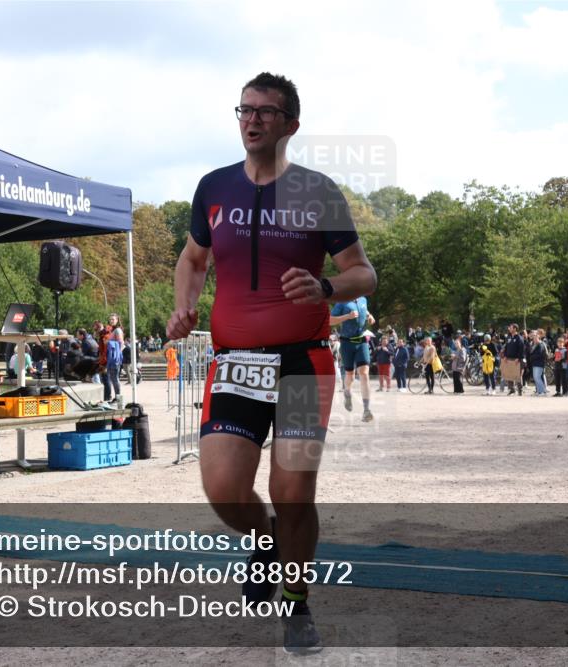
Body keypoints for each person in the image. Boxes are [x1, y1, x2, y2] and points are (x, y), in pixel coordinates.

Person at [165, 72, 376, 655]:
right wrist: (183, 307)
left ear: (291, 124)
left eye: (264, 111)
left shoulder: (318, 192)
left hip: (303, 362)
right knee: (224, 489)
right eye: (244, 109)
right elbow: (193, 260)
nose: (251, 119)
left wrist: (326, 286)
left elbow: (364, 273)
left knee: (293, 488)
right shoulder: (213, 188)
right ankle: (265, 542)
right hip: (235, 362)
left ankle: (296, 603)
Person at [330, 297, 376, 421]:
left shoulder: (363, 299)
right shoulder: (342, 302)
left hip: (362, 341)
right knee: (350, 375)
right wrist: (347, 316)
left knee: (364, 374)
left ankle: (366, 410)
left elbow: (365, 310)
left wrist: (370, 316)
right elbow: (330, 320)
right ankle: (347, 392)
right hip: (346, 343)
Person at [500, 324, 526, 395]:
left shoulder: (519, 338)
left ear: (515, 329)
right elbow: (506, 347)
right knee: (509, 374)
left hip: (516, 359)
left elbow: (521, 349)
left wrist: (518, 358)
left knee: (517, 375)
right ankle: (512, 389)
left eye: (510, 328)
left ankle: (520, 390)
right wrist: (505, 356)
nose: (509, 329)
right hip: (509, 359)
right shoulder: (509, 337)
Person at [528, 331, 548, 395]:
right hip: (535, 363)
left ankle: (543, 391)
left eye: (536, 337)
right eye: (534, 337)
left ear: (538, 337)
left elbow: (539, 354)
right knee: (536, 378)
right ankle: (539, 391)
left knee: (537, 377)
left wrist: (532, 357)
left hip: (539, 363)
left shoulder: (540, 344)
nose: (534, 338)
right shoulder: (534, 345)